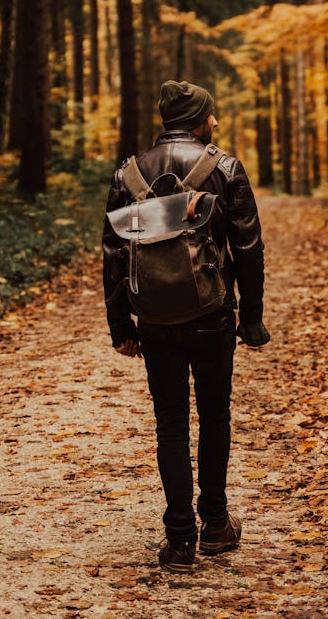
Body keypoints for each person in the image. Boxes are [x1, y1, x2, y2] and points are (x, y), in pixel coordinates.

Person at [102, 79, 269, 572]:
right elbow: (248, 250)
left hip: (154, 319)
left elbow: (114, 257)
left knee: (170, 422)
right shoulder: (225, 168)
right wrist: (251, 317)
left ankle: (179, 540)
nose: (215, 122)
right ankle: (215, 524)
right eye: (211, 115)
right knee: (215, 415)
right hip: (211, 316)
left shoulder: (129, 175)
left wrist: (121, 327)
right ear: (198, 119)